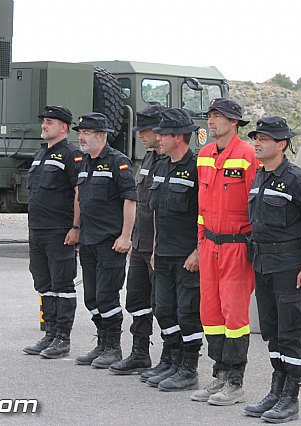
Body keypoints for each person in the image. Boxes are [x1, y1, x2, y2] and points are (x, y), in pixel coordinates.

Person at [244, 116, 301, 422]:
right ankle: (276, 391)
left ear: (282, 144)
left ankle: (291, 398)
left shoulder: (296, 178)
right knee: (273, 332)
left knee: (291, 331)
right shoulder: (259, 176)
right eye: (256, 137)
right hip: (263, 264)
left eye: (265, 138)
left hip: (290, 265)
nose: (258, 142)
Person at [192, 98, 260, 405]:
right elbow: (202, 207)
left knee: (235, 316)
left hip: (236, 245)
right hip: (210, 245)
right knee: (211, 314)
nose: (211, 120)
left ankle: (236, 381)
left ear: (234, 122)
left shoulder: (247, 156)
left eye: (218, 116)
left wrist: (252, 247)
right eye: (210, 115)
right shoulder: (204, 155)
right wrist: (199, 243)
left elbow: (256, 205)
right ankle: (219, 374)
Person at [73, 112, 137, 369]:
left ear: (102, 135)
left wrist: (126, 236)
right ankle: (101, 343)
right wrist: (75, 228)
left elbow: (130, 200)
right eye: (80, 133)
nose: (81, 137)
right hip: (88, 240)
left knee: (107, 295)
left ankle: (113, 347)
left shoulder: (117, 162)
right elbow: (80, 196)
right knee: (91, 297)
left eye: (86, 133)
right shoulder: (85, 162)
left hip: (111, 241)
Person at [145, 108, 203, 392]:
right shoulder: (161, 165)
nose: (158, 138)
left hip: (187, 255)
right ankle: (170, 359)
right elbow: (157, 213)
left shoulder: (197, 168)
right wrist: (155, 247)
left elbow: (207, 213)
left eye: (163, 134)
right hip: (164, 252)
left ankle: (188, 368)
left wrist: (198, 250)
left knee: (187, 312)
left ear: (179, 137)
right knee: (163, 308)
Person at [109, 105, 166, 376]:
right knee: (137, 301)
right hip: (141, 245)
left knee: (165, 306)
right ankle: (140, 353)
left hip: (160, 247)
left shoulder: (171, 162)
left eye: (145, 130)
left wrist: (155, 246)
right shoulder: (148, 159)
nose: (140, 136)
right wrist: (132, 239)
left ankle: (171, 359)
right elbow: (139, 202)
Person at [23, 105, 82, 359]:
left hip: (60, 230)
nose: (44, 125)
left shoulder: (71, 154)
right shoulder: (40, 153)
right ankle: (49, 333)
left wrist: (76, 227)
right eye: (44, 121)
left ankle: (62, 337)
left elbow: (80, 192)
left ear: (63, 127)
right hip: (37, 230)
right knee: (44, 283)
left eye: (50, 122)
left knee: (62, 284)